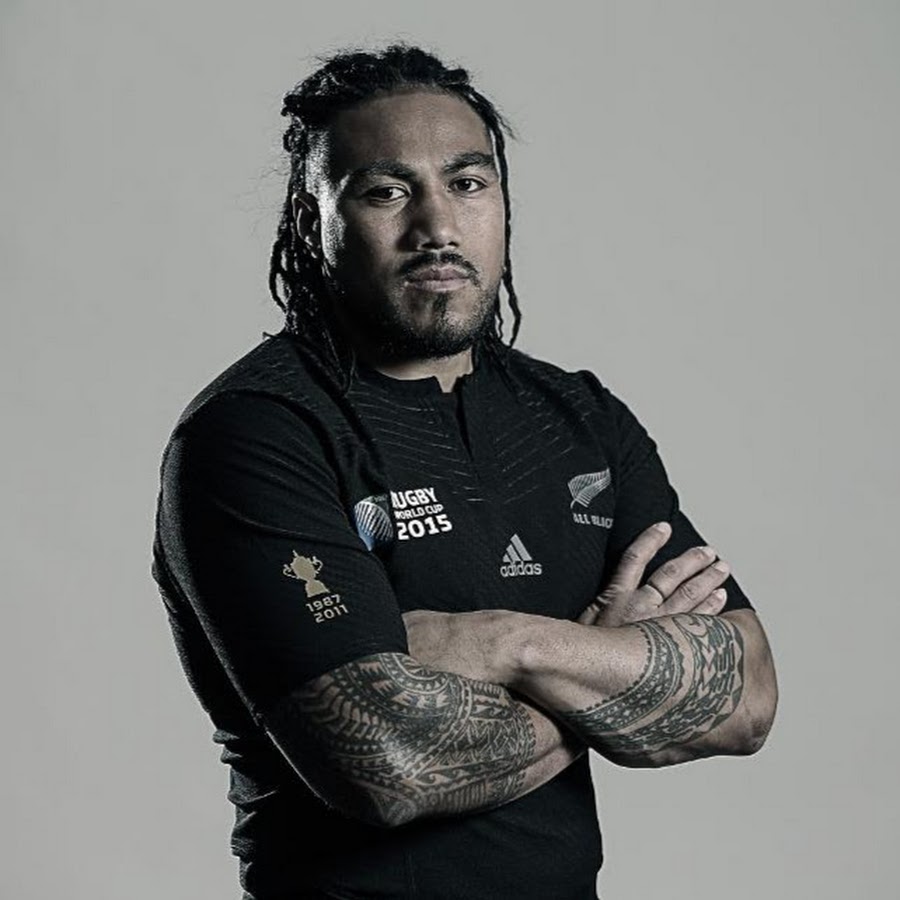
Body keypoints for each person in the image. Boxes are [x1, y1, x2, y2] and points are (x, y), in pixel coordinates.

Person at [151, 43, 778, 900]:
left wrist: (512, 643)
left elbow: (747, 697)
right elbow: (386, 766)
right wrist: (607, 661)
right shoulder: (258, 432)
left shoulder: (580, 419)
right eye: (386, 192)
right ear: (311, 219)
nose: (438, 227)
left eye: (468, 183)